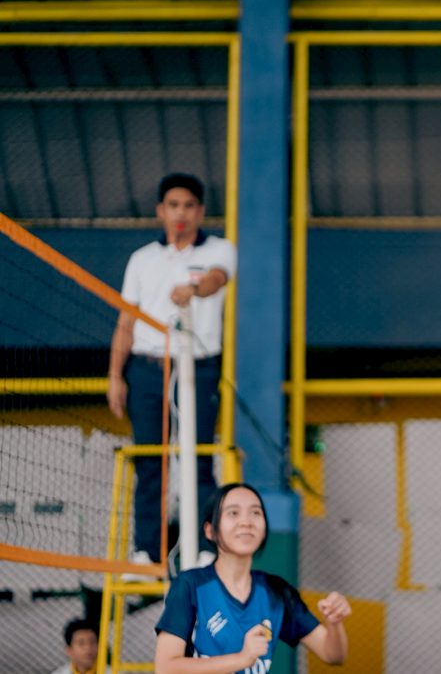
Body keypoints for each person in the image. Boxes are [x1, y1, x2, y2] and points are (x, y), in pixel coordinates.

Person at [106, 173, 236, 572]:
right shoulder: (142, 259)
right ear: (161, 211)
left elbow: (217, 279)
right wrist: (115, 375)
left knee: (197, 460)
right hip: (146, 369)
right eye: (173, 205)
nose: (181, 213)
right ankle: (147, 550)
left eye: (189, 205)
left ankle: (206, 547)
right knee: (150, 461)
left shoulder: (220, 249)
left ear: (200, 211)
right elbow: (126, 321)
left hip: (197, 367)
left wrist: (193, 290)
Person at [155, 482, 350, 672]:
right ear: (210, 530)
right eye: (233, 513)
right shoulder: (190, 585)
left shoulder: (276, 592)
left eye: (255, 513)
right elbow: (166, 668)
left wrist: (334, 623)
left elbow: (333, 655)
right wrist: (241, 659)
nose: (246, 522)